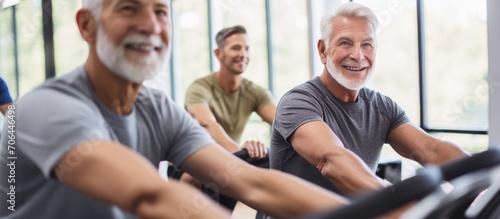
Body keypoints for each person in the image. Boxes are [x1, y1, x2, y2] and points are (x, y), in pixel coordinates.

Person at [0, 0, 348, 218]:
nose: (150, 25)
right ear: (86, 26)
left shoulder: (156, 109)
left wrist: (367, 212)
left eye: (160, 11)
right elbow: (150, 196)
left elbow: (254, 184)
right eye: (128, 8)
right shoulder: (44, 107)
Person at [270, 2, 469, 198]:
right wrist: (395, 202)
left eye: (367, 44)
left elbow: (431, 150)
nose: (358, 55)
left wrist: (487, 181)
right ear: (322, 50)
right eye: (345, 43)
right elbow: (331, 160)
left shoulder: (382, 108)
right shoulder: (298, 102)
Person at [185, 25, 275, 159]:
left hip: (229, 162)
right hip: (191, 161)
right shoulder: (199, 88)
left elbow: (282, 122)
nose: (243, 54)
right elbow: (206, 123)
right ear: (218, 53)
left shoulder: (256, 92)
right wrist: (238, 151)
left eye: (247, 49)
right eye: (236, 48)